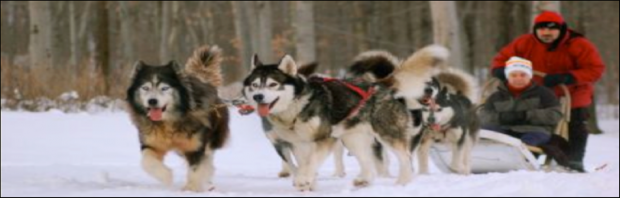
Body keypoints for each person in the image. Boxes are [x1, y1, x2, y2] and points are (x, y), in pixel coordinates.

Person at [490, 11, 605, 172]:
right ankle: (526, 155)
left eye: (552, 29)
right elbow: (501, 58)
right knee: (528, 122)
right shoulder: (525, 43)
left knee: (576, 123)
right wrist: (500, 70)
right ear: (535, 29)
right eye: (542, 29)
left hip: (573, 92)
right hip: (535, 93)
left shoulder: (578, 44)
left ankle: (575, 161)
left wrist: (568, 76)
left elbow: (595, 69)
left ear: (561, 30)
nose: (546, 33)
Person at [482, 57, 572, 169]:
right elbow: (483, 116)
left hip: (534, 130)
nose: (518, 78)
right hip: (504, 129)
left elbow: (555, 115)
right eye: (513, 75)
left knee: (529, 141)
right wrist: (502, 117)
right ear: (507, 77)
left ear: (530, 76)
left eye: (523, 75)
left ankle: (522, 162)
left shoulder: (544, 94)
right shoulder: (496, 97)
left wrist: (526, 115)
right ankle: (486, 158)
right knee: (485, 132)